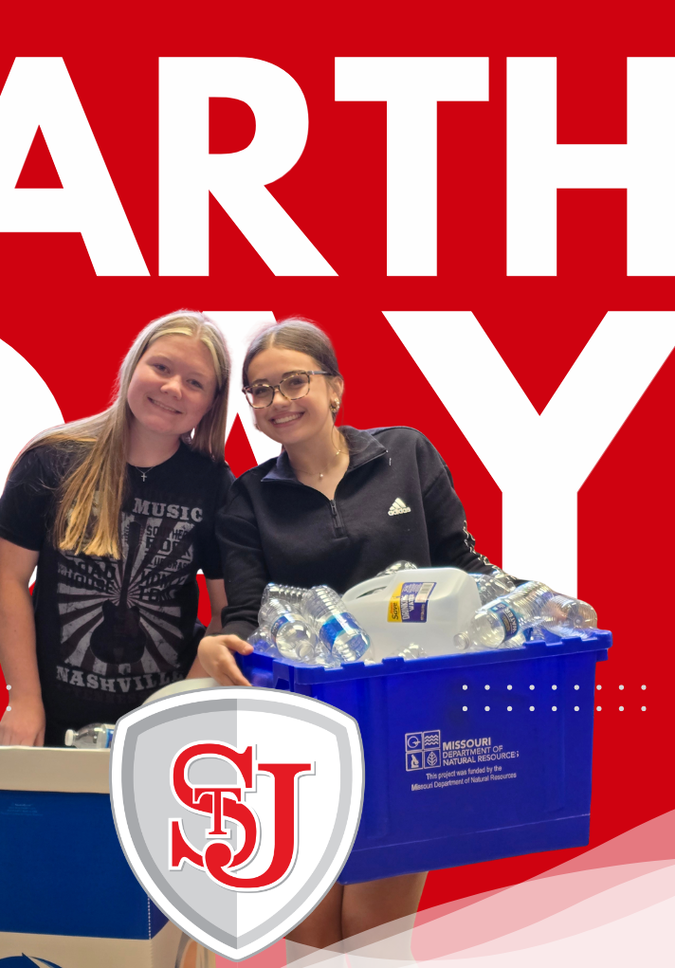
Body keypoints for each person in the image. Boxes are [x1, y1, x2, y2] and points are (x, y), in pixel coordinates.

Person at [201, 318, 499, 959]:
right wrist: (220, 642)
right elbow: (248, 613)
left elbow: (463, 565)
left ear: (334, 387)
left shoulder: (406, 453)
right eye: (259, 391)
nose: (278, 401)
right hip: (300, 734)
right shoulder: (249, 499)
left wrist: (519, 611)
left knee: (374, 936)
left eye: (294, 382)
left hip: (410, 726)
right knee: (309, 937)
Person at [0, 311, 234, 747]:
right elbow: (7, 579)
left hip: (164, 729)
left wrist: (179, 709)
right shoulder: (52, 457)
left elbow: (226, 612)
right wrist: (24, 699)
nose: (173, 387)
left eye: (195, 382)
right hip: (53, 719)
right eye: (160, 367)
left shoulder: (213, 483)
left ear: (212, 402)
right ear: (133, 365)